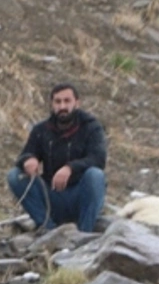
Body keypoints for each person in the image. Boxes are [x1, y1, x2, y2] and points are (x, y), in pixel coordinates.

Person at [7, 82, 108, 233]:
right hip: (52, 197)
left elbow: (98, 159)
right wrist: (29, 160)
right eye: (58, 101)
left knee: (95, 175)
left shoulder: (91, 127)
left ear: (77, 103)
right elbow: (26, 154)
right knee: (15, 176)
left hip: (80, 196)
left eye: (67, 101)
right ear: (52, 104)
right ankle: (49, 230)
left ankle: (83, 235)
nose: (62, 106)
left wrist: (70, 168)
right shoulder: (41, 130)